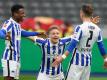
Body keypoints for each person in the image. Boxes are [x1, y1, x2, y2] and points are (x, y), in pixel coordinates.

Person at [52, 4, 107, 80]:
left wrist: (63, 57)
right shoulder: (97, 29)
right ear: (91, 14)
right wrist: (105, 59)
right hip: (87, 64)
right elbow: (101, 46)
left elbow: (73, 44)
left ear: (81, 13)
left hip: (76, 63)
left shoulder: (80, 27)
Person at [0, 4, 43, 80]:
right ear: (15, 14)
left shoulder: (17, 25)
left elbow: (23, 33)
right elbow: (1, 32)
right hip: (10, 56)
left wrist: (37, 33)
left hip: (16, 57)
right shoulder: (9, 23)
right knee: (9, 78)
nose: (24, 15)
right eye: (22, 13)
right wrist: (5, 36)